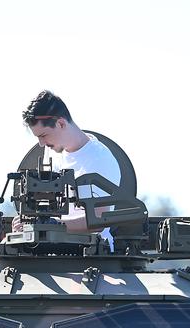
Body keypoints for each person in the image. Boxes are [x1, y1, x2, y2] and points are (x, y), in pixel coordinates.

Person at [15, 90, 123, 246]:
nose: (41, 144)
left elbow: (100, 219)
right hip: (50, 247)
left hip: (90, 252)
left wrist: (53, 225)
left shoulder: (99, 159)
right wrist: (27, 222)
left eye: (43, 135)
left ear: (60, 123)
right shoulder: (52, 153)